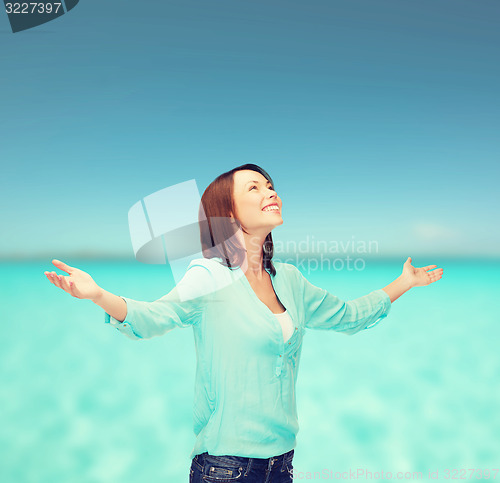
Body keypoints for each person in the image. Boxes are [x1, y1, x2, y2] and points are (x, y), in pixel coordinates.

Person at [44, 163, 443, 482]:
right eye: (254, 187)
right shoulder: (208, 276)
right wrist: (97, 294)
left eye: (270, 185)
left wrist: (404, 283)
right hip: (225, 468)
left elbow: (350, 316)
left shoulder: (290, 279)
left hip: (282, 463)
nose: (271, 191)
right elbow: (152, 318)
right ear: (229, 213)